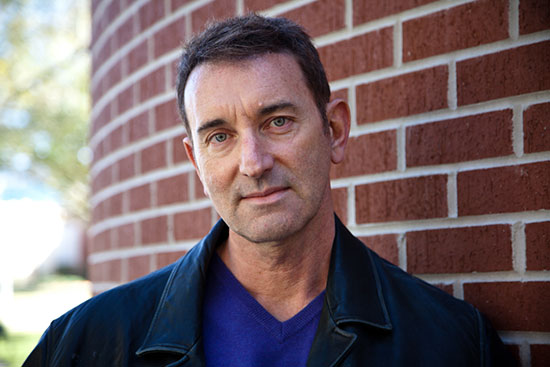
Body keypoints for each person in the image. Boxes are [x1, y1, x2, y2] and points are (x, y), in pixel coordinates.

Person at [24, 14, 514, 366]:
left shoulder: (453, 344)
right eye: (220, 136)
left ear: (334, 131)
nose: (253, 163)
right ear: (197, 161)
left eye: (278, 122)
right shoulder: (83, 343)